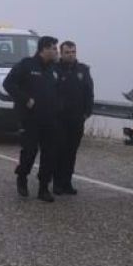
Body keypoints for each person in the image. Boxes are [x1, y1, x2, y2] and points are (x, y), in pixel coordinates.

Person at [2, 36, 61, 202]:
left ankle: (43, 188)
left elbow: (59, 91)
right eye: (54, 48)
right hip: (30, 118)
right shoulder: (26, 65)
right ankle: (22, 177)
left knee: (49, 154)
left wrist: (59, 108)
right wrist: (26, 99)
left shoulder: (54, 69)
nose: (56, 52)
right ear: (44, 49)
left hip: (50, 119)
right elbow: (8, 84)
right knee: (29, 152)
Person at [54, 41, 94, 196]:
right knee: (59, 151)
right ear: (61, 53)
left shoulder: (83, 70)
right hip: (59, 119)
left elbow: (89, 93)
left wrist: (86, 113)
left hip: (77, 119)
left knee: (71, 152)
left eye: (73, 52)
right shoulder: (55, 69)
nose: (71, 55)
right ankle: (57, 183)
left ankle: (67, 182)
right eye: (67, 52)